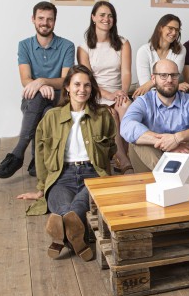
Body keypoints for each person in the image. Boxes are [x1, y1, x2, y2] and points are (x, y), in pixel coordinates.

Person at [17, 65, 116, 262]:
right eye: (77, 84)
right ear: (67, 87)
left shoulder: (103, 115)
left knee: (79, 203)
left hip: (93, 174)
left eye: (87, 85)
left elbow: (111, 148)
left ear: (92, 89)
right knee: (61, 203)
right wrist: (41, 188)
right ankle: (75, 238)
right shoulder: (51, 117)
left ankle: (60, 237)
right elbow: (42, 155)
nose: (82, 89)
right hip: (61, 176)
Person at [0, 1, 75, 179]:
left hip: (58, 99)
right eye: (41, 18)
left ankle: (18, 153)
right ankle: (36, 163)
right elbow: (25, 79)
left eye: (49, 19)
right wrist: (40, 86)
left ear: (55, 21)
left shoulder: (67, 46)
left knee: (45, 105)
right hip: (33, 99)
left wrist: (42, 81)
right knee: (44, 109)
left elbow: (65, 81)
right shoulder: (24, 45)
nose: (45, 23)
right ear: (33, 19)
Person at [121, 59, 189, 172]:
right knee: (137, 140)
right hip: (150, 160)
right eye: (163, 75)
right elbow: (126, 126)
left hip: (184, 156)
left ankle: (170, 175)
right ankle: (169, 175)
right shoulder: (143, 101)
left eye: (174, 75)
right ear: (153, 78)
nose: (169, 80)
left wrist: (177, 138)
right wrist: (165, 143)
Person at [77, 1, 133, 174]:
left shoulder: (123, 43)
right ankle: (122, 159)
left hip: (118, 90)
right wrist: (108, 94)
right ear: (93, 17)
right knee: (111, 115)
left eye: (110, 16)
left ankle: (131, 154)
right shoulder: (84, 47)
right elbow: (88, 80)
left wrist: (122, 92)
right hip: (96, 93)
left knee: (126, 108)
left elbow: (126, 72)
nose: (106, 19)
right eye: (102, 15)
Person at [133, 14, 189, 97]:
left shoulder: (181, 49)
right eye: (170, 28)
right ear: (160, 28)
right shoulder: (144, 51)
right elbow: (144, 86)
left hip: (172, 93)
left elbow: (173, 78)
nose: (174, 33)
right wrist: (176, 87)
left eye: (177, 30)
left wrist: (150, 84)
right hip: (150, 94)